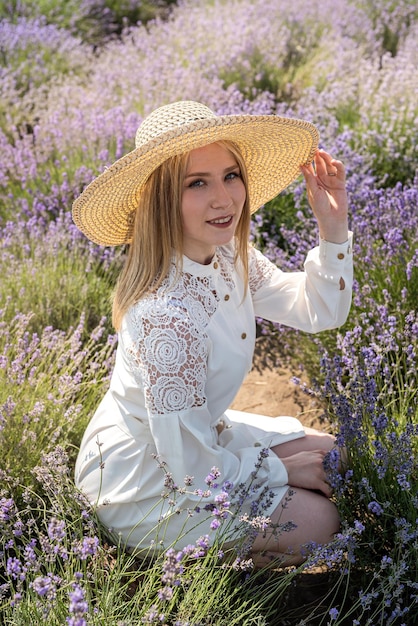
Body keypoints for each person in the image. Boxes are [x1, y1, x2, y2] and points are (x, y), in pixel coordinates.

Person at [72, 100, 353, 566]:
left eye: (230, 175)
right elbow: (189, 470)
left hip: (196, 439)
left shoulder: (226, 257)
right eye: (196, 183)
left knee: (334, 457)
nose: (224, 198)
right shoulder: (164, 317)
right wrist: (280, 471)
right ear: (161, 198)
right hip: (146, 482)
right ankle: (193, 568)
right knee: (320, 521)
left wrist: (333, 226)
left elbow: (319, 309)